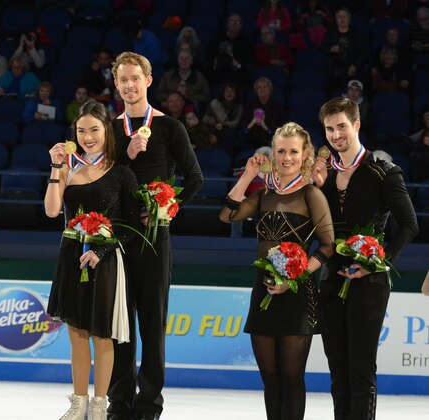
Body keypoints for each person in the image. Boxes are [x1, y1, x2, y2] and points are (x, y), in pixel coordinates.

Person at [108, 51, 204, 420]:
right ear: (115, 85)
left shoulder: (170, 127)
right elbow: (102, 181)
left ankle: (148, 406)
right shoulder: (110, 129)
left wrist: (167, 208)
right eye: (122, 79)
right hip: (115, 239)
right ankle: (120, 404)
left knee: (151, 324)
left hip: (153, 237)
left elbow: (195, 180)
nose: (129, 85)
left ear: (148, 80)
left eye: (135, 78)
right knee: (119, 325)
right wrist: (126, 155)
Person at [312, 97, 418, 420]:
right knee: (337, 372)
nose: (335, 135)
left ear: (356, 125)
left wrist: (377, 262)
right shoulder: (323, 175)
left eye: (341, 126)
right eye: (329, 129)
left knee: (360, 371)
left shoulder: (383, 171)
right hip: (331, 279)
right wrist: (312, 186)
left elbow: (410, 224)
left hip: (369, 283)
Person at [219, 122, 335, 420]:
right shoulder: (263, 194)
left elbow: (328, 246)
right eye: (281, 151)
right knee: (270, 378)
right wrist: (247, 176)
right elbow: (227, 215)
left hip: (297, 292)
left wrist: (294, 277)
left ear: (305, 153)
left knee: (291, 378)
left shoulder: (312, 195)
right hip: (264, 289)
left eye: (293, 152)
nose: (286, 158)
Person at [45, 101, 140, 420]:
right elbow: (51, 210)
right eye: (81, 130)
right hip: (71, 257)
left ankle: (100, 407)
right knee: (77, 335)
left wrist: (101, 250)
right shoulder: (69, 170)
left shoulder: (122, 173)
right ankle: (78, 405)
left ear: (107, 132)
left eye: (94, 130)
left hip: (106, 262)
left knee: (102, 335)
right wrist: (56, 168)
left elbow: (133, 227)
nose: (87, 136)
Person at [319, 7, 368, 93]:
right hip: (334, 69)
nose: (342, 19)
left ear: (349, 18)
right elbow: (322, 47)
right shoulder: (331, 32)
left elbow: (364, 53)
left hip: (351, 68)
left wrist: (354, 66)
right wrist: (331, 49)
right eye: (339, 17)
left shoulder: (357, 33)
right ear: (336, 18)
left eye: (344, 16)